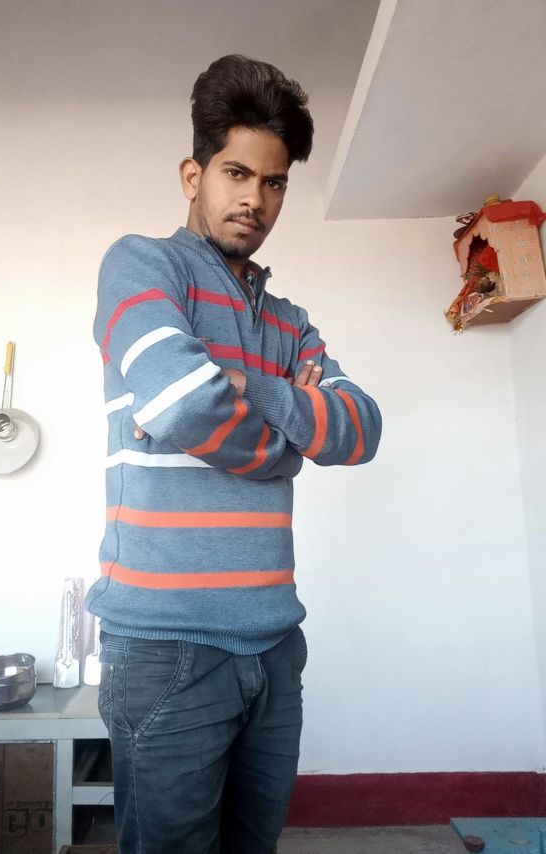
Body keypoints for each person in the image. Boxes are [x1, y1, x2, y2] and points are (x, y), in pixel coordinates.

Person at [85, 54, 382, 854]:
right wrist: (289, 439)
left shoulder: (291, 320)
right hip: (165, 643)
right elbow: (182, 402)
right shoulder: (143, 265)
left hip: (276, 643)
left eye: (274, 182)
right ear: (195, 174)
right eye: (236, 173)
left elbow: (361, 429)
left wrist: (246, 386)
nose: (255, 198)